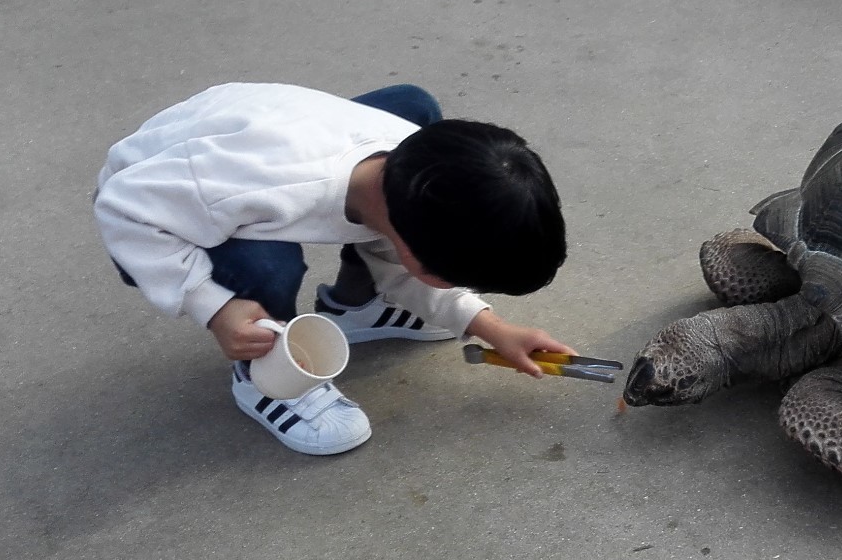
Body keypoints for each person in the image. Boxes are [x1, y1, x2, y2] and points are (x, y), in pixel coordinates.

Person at [96, 82, 571, 454]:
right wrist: (212, 305)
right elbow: (122, 206)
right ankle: (267, 370)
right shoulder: (268, 191)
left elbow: (403, 255)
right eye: (453, 277)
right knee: (270, 263)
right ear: (411, 249)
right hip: (150, 196)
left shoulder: (414, 165)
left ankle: (359, 305)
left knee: (413, 105)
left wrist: (488, 326)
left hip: (241, 135)